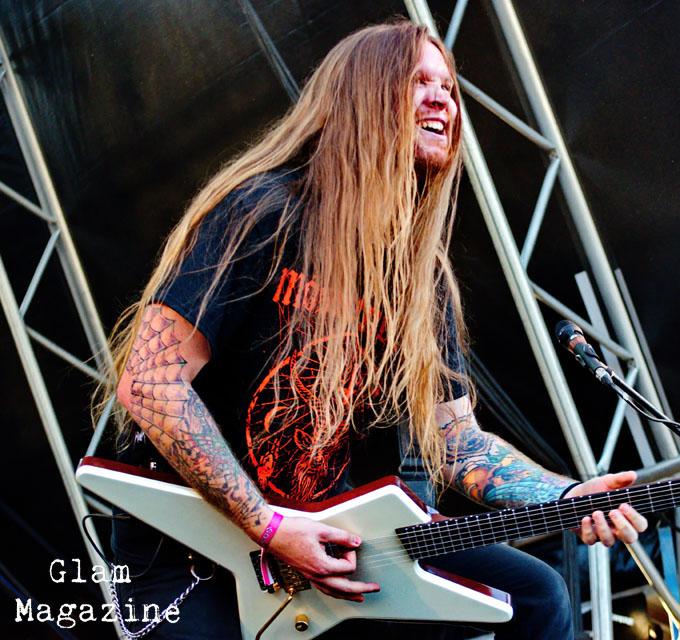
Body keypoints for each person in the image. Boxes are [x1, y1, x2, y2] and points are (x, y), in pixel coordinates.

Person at [102, 20, 647, 639]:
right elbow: (150, 385)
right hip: (190, 544)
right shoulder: (261, 213)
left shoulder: (419, 281)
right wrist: (267, 525)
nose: (442, 100)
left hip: (324, 534)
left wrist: (566, 497)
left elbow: (457, 443)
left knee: (536, 593)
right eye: (418, 82)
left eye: (448, 87)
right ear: (362, 98)